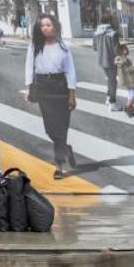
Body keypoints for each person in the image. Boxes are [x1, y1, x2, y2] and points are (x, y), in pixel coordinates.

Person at [24, 14, 77, 180]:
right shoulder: (34, 46)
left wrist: (72, 94)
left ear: (55, 26)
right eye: (42, 26)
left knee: (62, 127)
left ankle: (59, 165)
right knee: (50, 128)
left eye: (48, 24)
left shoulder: (63, 46)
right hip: (43, 87)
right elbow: (29, 67)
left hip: (60, 86)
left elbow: (70, 71)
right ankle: (65, 149)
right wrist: (29, 88)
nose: (45, 28)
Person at [93, 19, 122, 111]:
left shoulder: (96, 34)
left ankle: (108, 99)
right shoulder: (113, 34)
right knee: (113, 81)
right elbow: (116, 50)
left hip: (102, 61)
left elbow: (95, 48)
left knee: (109, 80)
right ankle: (112, 103)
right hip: (112, 61)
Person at [114, 44, 134, 119]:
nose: (127, 50)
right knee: (131, 95)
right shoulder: (120, 58)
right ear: (121, 51)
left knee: (132, 95)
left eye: (127, 49)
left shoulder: (124, 58)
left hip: (129, 80)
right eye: (125, 49)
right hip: (127, 80)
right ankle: (128, 109)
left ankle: (130, 110)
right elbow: (127, 70)